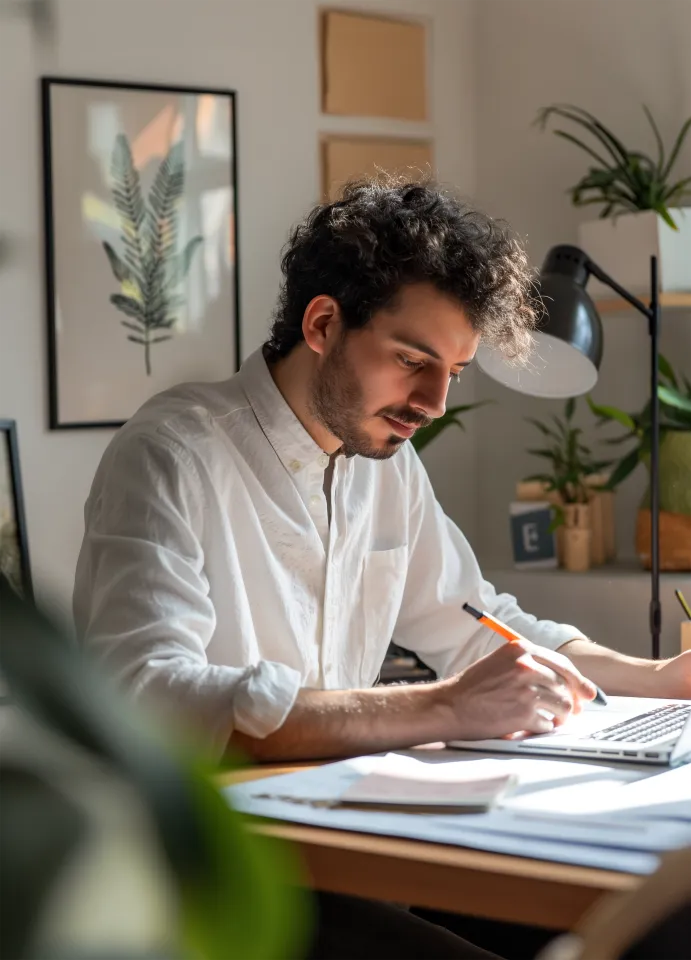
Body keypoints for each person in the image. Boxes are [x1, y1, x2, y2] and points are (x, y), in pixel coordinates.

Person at [73, 178, 691, 959]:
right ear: (324, 323)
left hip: (348, 854)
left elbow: (478, 622)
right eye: (410, 361)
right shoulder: (172, 453)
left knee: (644, 927)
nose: (432, 403)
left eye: (452, 374)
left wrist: (660, 676)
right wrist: (441, 708)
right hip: (215, 884)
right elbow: (149, 698)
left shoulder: (382, 465)